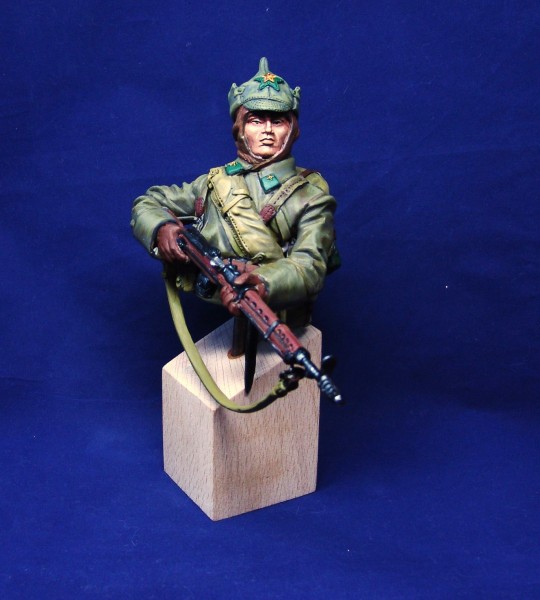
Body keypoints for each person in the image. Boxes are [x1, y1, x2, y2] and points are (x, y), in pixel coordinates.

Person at [131, 57, 338, 327]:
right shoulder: (214, 182)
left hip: (278, 312)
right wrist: (161, 227)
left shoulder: (310, 196)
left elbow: (309, 266)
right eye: (256, 121)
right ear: (240, 128)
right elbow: (148, 202)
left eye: (277, 122)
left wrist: (264, 282)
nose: (267, 131)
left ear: (292, 130)